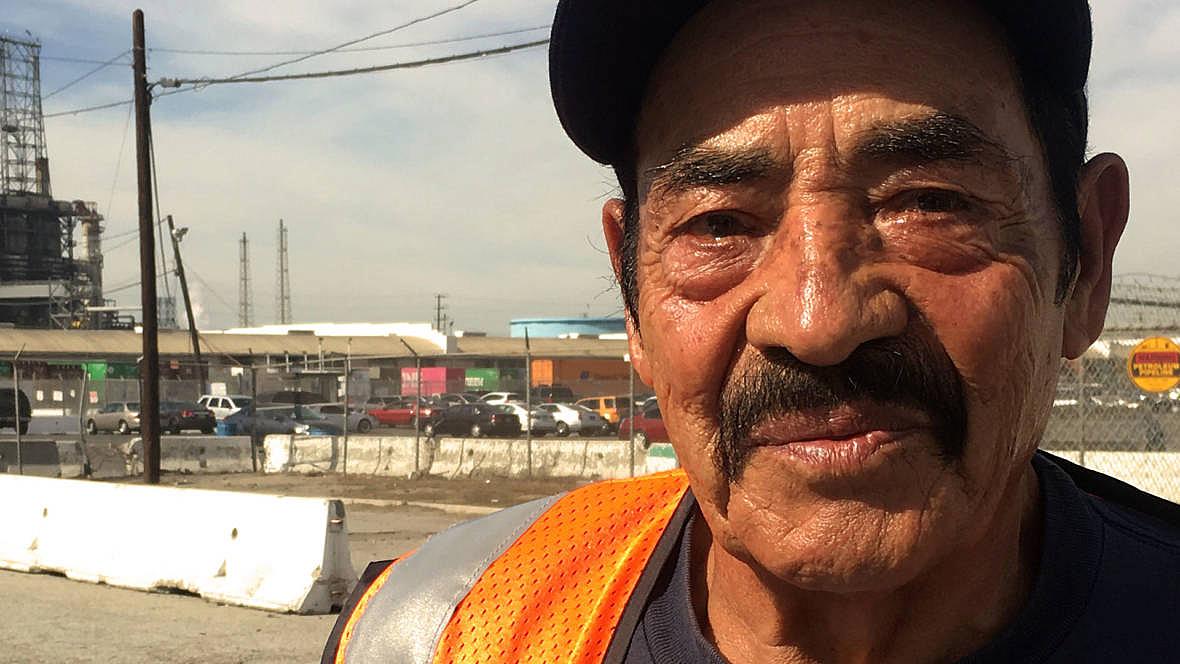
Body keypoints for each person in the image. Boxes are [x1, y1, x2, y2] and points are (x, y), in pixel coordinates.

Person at [324, 1, 1180, 662]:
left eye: (929, 202)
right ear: (632, 299)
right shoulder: (448, 630)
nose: (817, 323)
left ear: (1087, 261)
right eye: (720, 225)